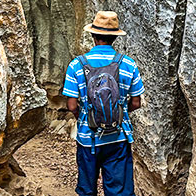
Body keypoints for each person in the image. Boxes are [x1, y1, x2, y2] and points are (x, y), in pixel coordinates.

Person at [62, 11, 144, 196]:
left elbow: (72, 106)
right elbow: (137, 102)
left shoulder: (76, 65)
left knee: (87, 189)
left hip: (87, 137)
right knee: (119, 191)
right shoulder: (129, 64)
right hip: (119, 137)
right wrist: (118, 112)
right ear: (115, 37)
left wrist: (87, 116)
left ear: (92, 35)